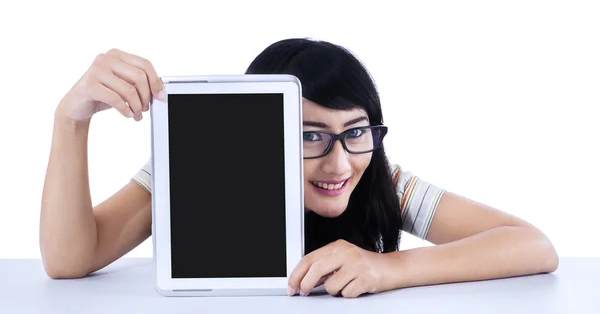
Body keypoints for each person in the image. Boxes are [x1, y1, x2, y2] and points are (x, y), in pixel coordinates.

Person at [40, 38, 559, 298]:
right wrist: (71, 118)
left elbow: (534, 245)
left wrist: (387, 268)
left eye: (356, 131)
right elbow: (68, 259)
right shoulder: (196, 168)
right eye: (309, 135)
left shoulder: (378, 178)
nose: (339, 162)